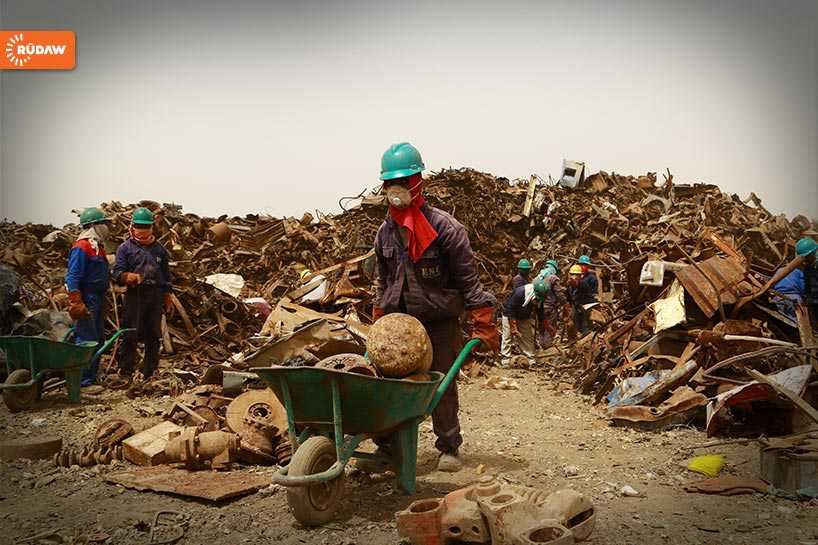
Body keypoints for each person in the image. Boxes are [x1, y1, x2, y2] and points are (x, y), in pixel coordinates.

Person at [372, 142, 499, 472]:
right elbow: (382, 281)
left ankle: (448, 446)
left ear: (419, 182)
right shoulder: (384, 233)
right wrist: (379, 315)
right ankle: (387, 447)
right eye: (390, 183)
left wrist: (482, 318)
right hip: (399, 323)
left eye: (404, 180)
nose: (396, 189)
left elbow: (468, 280)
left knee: (441, 382)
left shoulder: (446, 229)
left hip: (439, 319)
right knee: (388, 387)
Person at [113, 207, 173, 379]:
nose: (142, 230)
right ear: (132, 227)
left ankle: (149, 370)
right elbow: (116, 272)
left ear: (152, 228)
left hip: (154, 294)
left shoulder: (159, 250)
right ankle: (126, 371)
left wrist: (167, 295)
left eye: (145, 227)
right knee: (130, 333)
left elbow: (165, 276)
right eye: (139, 226)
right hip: (135, 294)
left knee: (153, 334)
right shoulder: (125, 248)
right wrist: (126, 276)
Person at [65, 207, 111, 386]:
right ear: (93, 225)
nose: (106, 227)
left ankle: (90, 378)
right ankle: (81, 380)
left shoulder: (97, 246)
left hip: (98, 298)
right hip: (87, 298)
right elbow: (73, 275)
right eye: (103, 224)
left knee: (98, 339)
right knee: (86, 339)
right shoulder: (82, 246)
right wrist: (76, 301)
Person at [501, 278, 548, 365]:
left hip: (524, 315)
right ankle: (506, 358)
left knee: (527, 337)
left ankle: (530, 357)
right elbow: (510, 309)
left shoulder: (541, 295)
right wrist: (513, 327)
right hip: (509, 314)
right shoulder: (520, 293)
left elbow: (540, 310)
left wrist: (544, 324)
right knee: (507, 336)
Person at [537, 261, 567, 347]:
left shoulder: (538, 277)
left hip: (539, 307)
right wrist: (565, 303)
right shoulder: (553, 278)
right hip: (550, 307)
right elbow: (559, 294)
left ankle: (541, 345)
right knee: (550, 327)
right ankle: (547, 347)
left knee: (542, 327)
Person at [567, 263, 598, 336]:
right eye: (572, 274)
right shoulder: (570, 285)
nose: (574, 276)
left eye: (576, 274)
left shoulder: (583, 283)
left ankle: (586, 338)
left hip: (586, 305)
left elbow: (578, 286)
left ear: (580, 275)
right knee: (576, 323)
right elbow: (570, 297)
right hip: (578, 305)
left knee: (585, 324)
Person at [795, 237, 818, 328]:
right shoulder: (808, 268)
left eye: (807, 256)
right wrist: (808, 299)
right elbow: (807, 285)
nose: (805, 259)